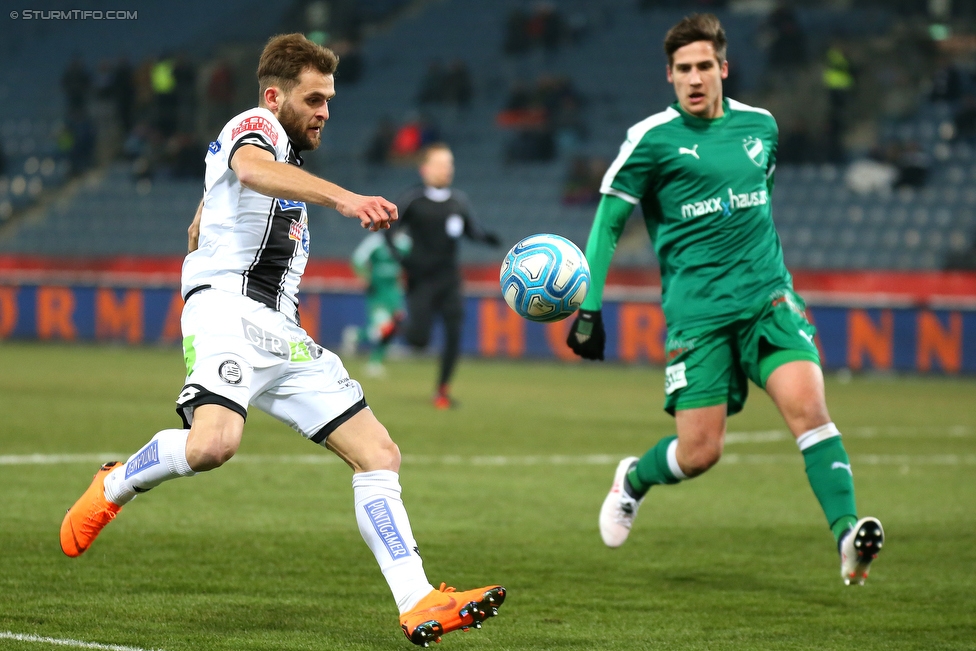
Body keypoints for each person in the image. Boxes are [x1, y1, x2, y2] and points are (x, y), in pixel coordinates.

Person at [59, 34, 505, 646]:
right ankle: (115, 482)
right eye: (315, 98)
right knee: (215, 445)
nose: (325, 111)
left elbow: (212, 207)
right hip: (228, 314)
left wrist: (202, 225)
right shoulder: (254, 124)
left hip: (284, 333)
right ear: (275, 96)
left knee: (379, 454)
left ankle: (418, 600)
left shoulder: (279, 159)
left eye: (329, 100)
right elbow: (247, 166)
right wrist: (346, 199)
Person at [566, 14, 884, 586]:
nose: (694, 77)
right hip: (699, 318)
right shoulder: (651, 140)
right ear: (669, 75)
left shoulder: (762, 127)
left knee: (810, 412)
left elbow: (756, 201)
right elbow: (608, 224)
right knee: (699, 454)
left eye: (704, 66)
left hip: (769, 302)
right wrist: (589, 308)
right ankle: (634, 480)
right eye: (683, 69)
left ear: (723, 69)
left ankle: (846, 537)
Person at [387, 143, 500, 409]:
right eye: (440, 164)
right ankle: (399, 325)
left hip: (450, 279)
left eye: (449, 164)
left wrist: (489, 239)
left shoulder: (457, 201)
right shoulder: (414, 199)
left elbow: (472, 231)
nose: (446, 169)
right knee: (418, 340)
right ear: (425, 169)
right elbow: (390, 231)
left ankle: (442, 392)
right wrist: (403, 260)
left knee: (454, 332)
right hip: (421, 279)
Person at [344, 229, 412, 378]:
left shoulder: (404, 242)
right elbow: (357, 259)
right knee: (382, 329)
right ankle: (359, 340)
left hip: (394, 292)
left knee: (395, 326)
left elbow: (412, 263)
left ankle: (373, 359)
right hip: (378, 292)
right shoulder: (374, 241)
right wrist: (365, 277)